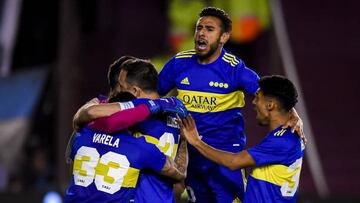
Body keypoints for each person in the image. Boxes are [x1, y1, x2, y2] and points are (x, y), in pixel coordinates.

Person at [158, 6, 304, 202]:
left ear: (224, 37)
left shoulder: (234, 68)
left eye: (209, 29)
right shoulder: (179, 63)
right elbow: (152, 95)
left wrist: (293, 115)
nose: (201, 32)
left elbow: (270, 95)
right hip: (192, 154)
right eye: (199, 27)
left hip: (225, 155)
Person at [73, 58, 189, 203]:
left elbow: (88, 117)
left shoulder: (131, 116)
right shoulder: (177, 116)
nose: (116, 92)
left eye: (120, 86)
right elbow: (179, 182)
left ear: (135, 91)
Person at [179, 75, 305, 203]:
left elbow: (234, 162)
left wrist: (196, 142)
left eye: (258, 97)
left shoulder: (281, 141)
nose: (254, 102)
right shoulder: (289, 135)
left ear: (270, 105)